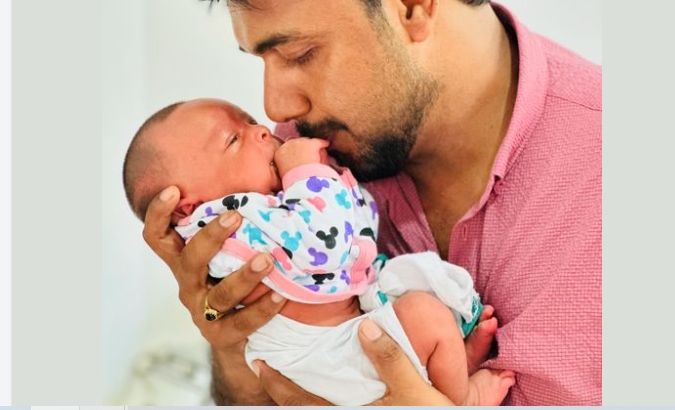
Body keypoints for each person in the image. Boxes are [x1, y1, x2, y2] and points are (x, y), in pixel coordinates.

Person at [142, 0, 601, 405]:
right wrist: (233, 346)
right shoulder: (292, 171)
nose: (277, 107)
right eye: (262, 59)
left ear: (411, 0)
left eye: (300, 53)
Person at [123, 97, 516, 405]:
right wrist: (306, 173)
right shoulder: (229, 228)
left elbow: (354, 221)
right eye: (233, 140)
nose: (263, 130)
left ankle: (446, 369)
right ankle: (462, 395)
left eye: (249, 122)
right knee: (424, 315)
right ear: (184, 208)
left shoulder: (261, 212)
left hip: (342, 348)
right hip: (331, 364)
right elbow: (324, 244)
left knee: (422, 304)